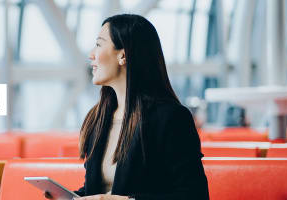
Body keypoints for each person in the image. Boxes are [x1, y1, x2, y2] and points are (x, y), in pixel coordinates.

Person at [64, 14, 209, 200]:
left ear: (123, 55)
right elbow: (97, 190)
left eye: (98, 44)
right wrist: (71, 197)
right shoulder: (98, 118)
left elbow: (195, 195)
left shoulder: (172, 118)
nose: (91, 54)